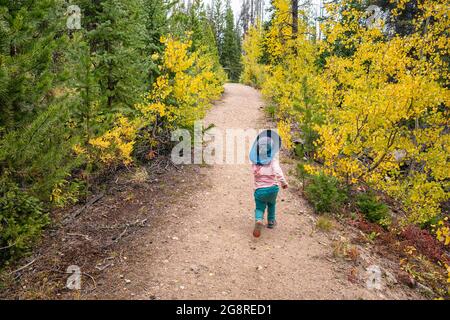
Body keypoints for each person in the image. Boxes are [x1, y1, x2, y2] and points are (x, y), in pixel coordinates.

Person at [249, 130, 288, 238]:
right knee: (271, 204)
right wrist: (283, 183)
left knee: (260, 207)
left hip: (259, 190)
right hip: (273, 189)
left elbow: (255, 172)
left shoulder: (255, 163)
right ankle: (271, 221)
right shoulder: (273, 161)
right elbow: (278, 172)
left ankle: (259, 220)